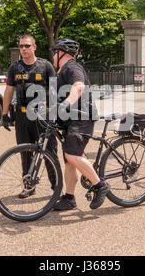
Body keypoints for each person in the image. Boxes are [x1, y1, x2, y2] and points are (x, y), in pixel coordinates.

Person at [50, 38, 110, 211]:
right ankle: (69, 198)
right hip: (71, 119)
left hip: (82, 117)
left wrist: (66, 104)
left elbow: (78, 87)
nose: (53, 55)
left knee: (72, 155)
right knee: (70, 161)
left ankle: (100, 185)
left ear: (63, 53)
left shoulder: (72, 67)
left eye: (55, 52)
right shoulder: (61, 71)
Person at [2, 34, 59, 198]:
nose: (23, 49)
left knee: (49, 152)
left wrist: (54, 113)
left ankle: (56, 186)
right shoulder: (15, 67)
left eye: (27, 46)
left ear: (34, 47)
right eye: (21, 46)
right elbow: (9, 91)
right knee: (25, 152)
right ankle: (29, 186)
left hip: (42, 116)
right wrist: (5, 114)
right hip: (22, 116)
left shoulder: (46, 66)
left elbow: (55, 91)